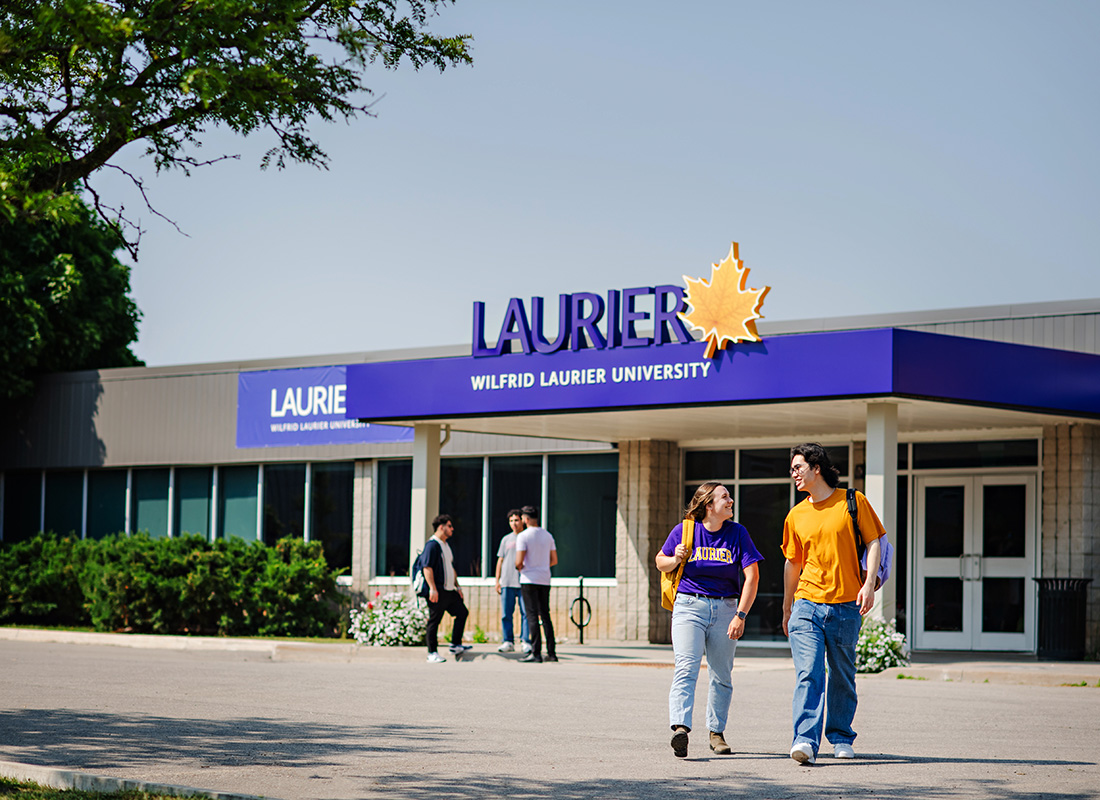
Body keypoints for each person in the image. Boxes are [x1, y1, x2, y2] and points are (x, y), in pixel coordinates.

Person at [782, 443, 884, 765]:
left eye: (798, 467)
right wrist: (787, 607)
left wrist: (868, 585)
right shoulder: (796, 514)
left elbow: (874, 541)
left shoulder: (852, 502)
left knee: (842, 675)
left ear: (816, 468)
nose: (793, 474)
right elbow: (792, 563)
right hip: (807, 604)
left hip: (846, 605)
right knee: (808, 674)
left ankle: (840, 735)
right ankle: (804, 741)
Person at [655, 481, 762, 758]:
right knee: (686, 667)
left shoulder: (738, 533)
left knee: (721, 674)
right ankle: (680, 728)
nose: (731, 501)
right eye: (724, 497)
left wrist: (741, 614)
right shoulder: (685, 530)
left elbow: (752, 575)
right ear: (708, 505)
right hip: (689, 606)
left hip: (726, 608)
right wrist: (675, 559)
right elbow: (660, 561)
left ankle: (716, 733)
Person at [420, 513, 472, 663]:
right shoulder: (432, 545)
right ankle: (432, 653)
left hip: (450, 590)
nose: (452, 529)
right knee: (434, 621)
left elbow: (451, 568)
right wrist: (432, 588)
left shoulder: (445, 545)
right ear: (441, 527)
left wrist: (458, 586)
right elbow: (427, 568)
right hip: (438, 591)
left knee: (462, 613)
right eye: (449, 526)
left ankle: (455, 644)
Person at [515, 505, 557, 663]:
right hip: (545, 579)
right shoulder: (548, 536)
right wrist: (542, 566)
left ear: (525, 519)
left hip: (529, 579)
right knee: (545, 615)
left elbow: (519, 561)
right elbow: (554, 560)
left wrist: (520, 567)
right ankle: (552, 653)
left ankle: (536, 652)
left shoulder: (523, 536)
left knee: (532, 615)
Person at [495, 509, 532, 654]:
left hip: (523, 582)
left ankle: (525, 641)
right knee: (506, 614)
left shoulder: (527, 537)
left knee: (526, 613)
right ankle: (508, 641)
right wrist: (497, 581)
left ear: (522, 520)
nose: (514, 523)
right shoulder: (506, 539)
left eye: (516, 520)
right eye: (511, 521)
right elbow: (500, 560)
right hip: (507, 582)